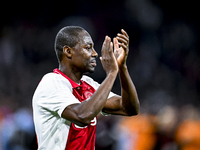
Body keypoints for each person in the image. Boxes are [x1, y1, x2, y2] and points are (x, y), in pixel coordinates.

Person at [32, 26, 140, 150]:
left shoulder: (89, 84)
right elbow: (82, 116)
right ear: (68, 51)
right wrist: (111, 73)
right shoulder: (51, 82)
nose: (95, 53)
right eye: (88, 48)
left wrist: (122, 68)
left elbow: (129, 108)